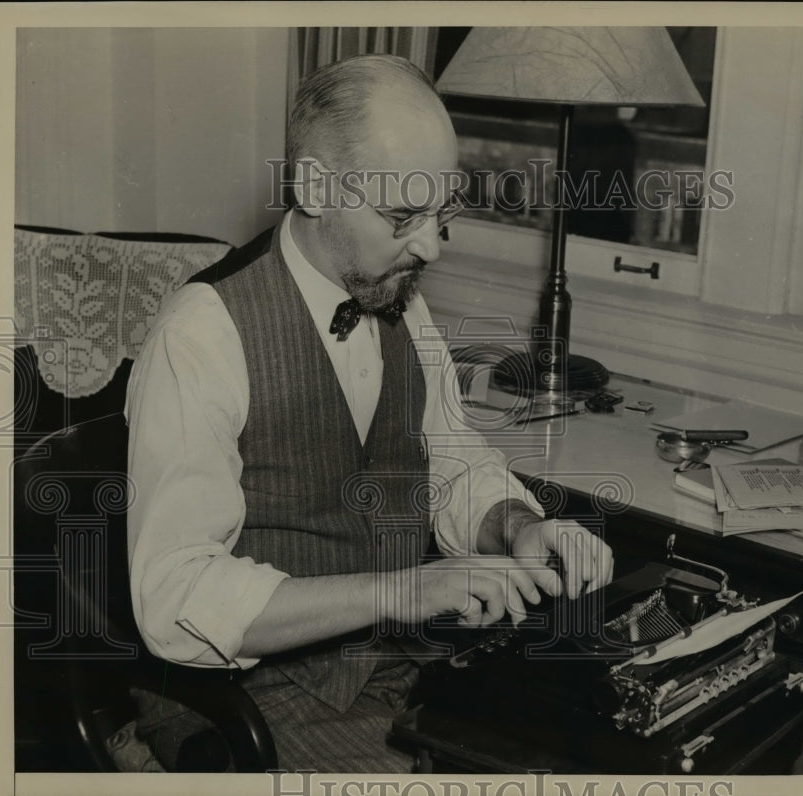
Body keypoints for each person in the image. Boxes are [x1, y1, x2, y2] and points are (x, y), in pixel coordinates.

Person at [125, 53, 613, 773]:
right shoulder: (200, 335)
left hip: (399, 668)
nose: (432, 247)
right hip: (251, 694)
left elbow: (446, 459)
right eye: (403, 216)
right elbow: (174, 599)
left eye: (444, 214)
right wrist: (403, 590)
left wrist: (518, 525)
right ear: (316, 187)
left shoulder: (397, 297)